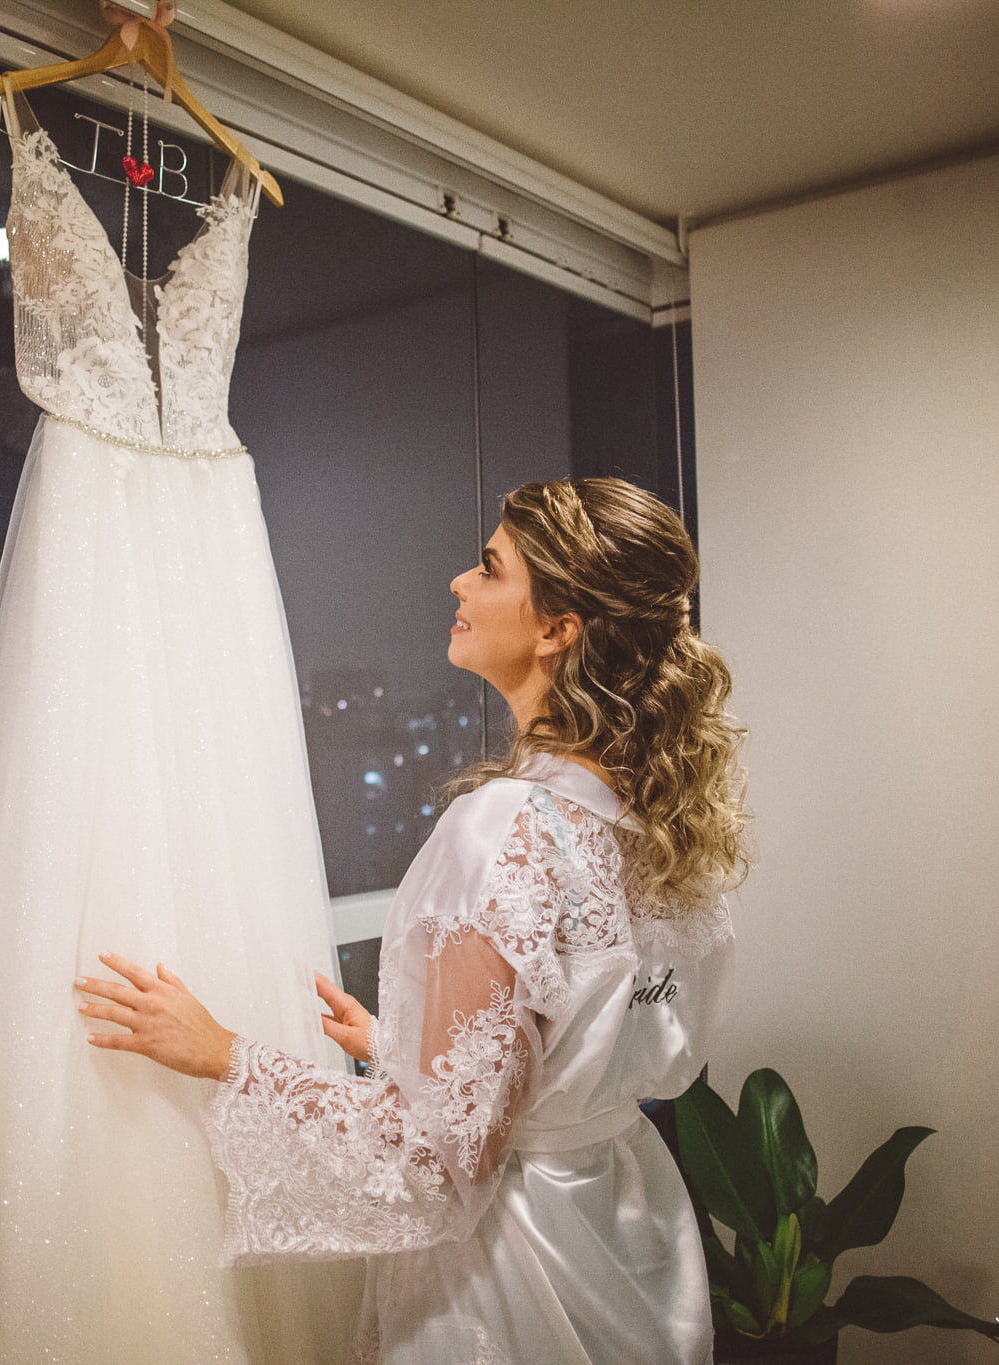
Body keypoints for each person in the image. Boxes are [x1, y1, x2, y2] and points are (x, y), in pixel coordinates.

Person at [76, 477, 749, 1365]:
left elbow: (433, 1170)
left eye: (491, 568)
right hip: (628, 1238)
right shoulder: (663, 829)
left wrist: (224, 1054)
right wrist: (412, 1050)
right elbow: (589, 1042)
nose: (459, 582)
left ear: (558, 628)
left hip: (514, 1274)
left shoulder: (504, 829)